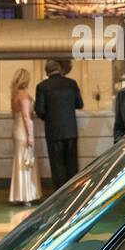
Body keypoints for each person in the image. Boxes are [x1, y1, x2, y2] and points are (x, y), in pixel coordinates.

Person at [34, 59, 83, 189]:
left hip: (53, 131)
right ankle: (74, 193)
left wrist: (50, 119)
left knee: (57, 167)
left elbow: (39, 110)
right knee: (72, 165)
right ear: (60, 69)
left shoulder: (42, 86)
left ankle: (60, 196)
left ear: (46, 71)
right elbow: (80, 104)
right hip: (71, 130)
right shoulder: (72, 83)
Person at [9, 68, 41, 205]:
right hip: (23, 130)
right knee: (26, 162)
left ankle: (19, 194)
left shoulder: (14, 95)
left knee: (20, 161)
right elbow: (27, 116)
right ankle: (26, 196)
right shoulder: (24, 95)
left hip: (16, 128)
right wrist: (30, 136)